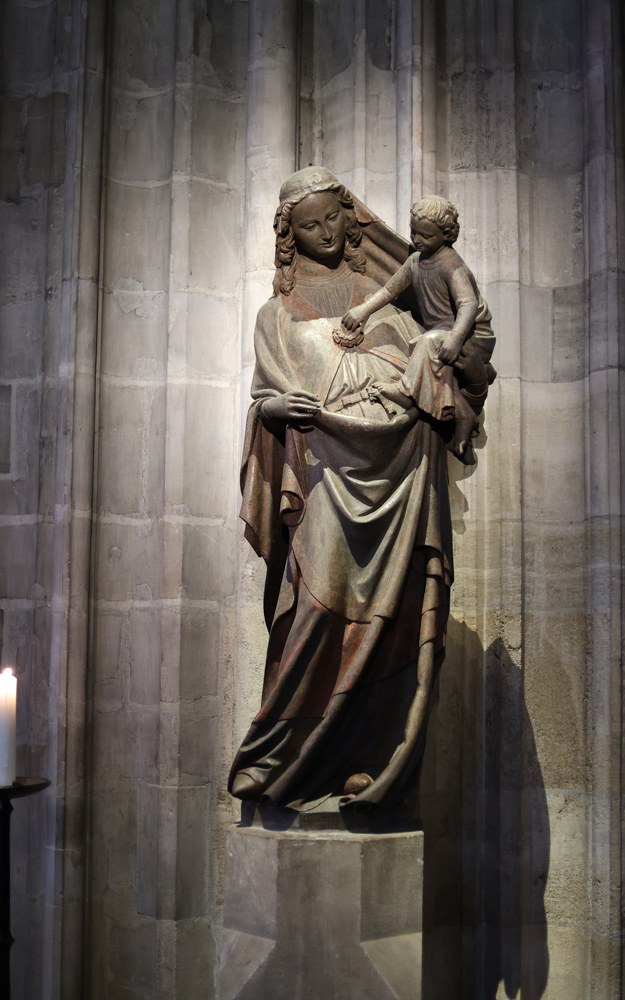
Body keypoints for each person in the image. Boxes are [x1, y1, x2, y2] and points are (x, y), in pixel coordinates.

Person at [229, 168, 493, 811]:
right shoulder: (274, 316)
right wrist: (272, 410)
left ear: (350, 220)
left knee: (394, 612)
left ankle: (371, 760)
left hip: (398, 466)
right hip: (323, 471)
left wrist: (431, 366)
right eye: (308, 225)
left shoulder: (389, 296)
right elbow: (265, 397)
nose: (323, 233)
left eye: (331, 219)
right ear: (289, 235)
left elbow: (438, 357)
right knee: (317, 608)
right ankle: (283, 754)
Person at [342, 195, 496, 465]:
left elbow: (468, 305)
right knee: (423, 348)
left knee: (428, 342)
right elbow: (389, 290)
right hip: (439, 333)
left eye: (426, 235)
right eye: (414, 232)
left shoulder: (451, 264)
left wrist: (456, 337)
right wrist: (363, 311)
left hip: (469, 335)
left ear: (446, 235)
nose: (417, 239)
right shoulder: (415, 262)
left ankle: (405, 391)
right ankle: (463, 419)